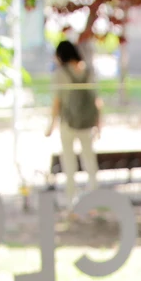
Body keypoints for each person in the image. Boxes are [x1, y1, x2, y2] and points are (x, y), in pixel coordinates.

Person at [47, 40, 101, 199]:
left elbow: (57, 101)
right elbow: (96, 100)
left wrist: (51, 124)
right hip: (87, 123)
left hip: (68, 123)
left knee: (69, 163)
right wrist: (99, 124)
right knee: (90, 162)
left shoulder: (60, 73)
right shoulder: (89, 71)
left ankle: (71, 200)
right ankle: (94, 199)